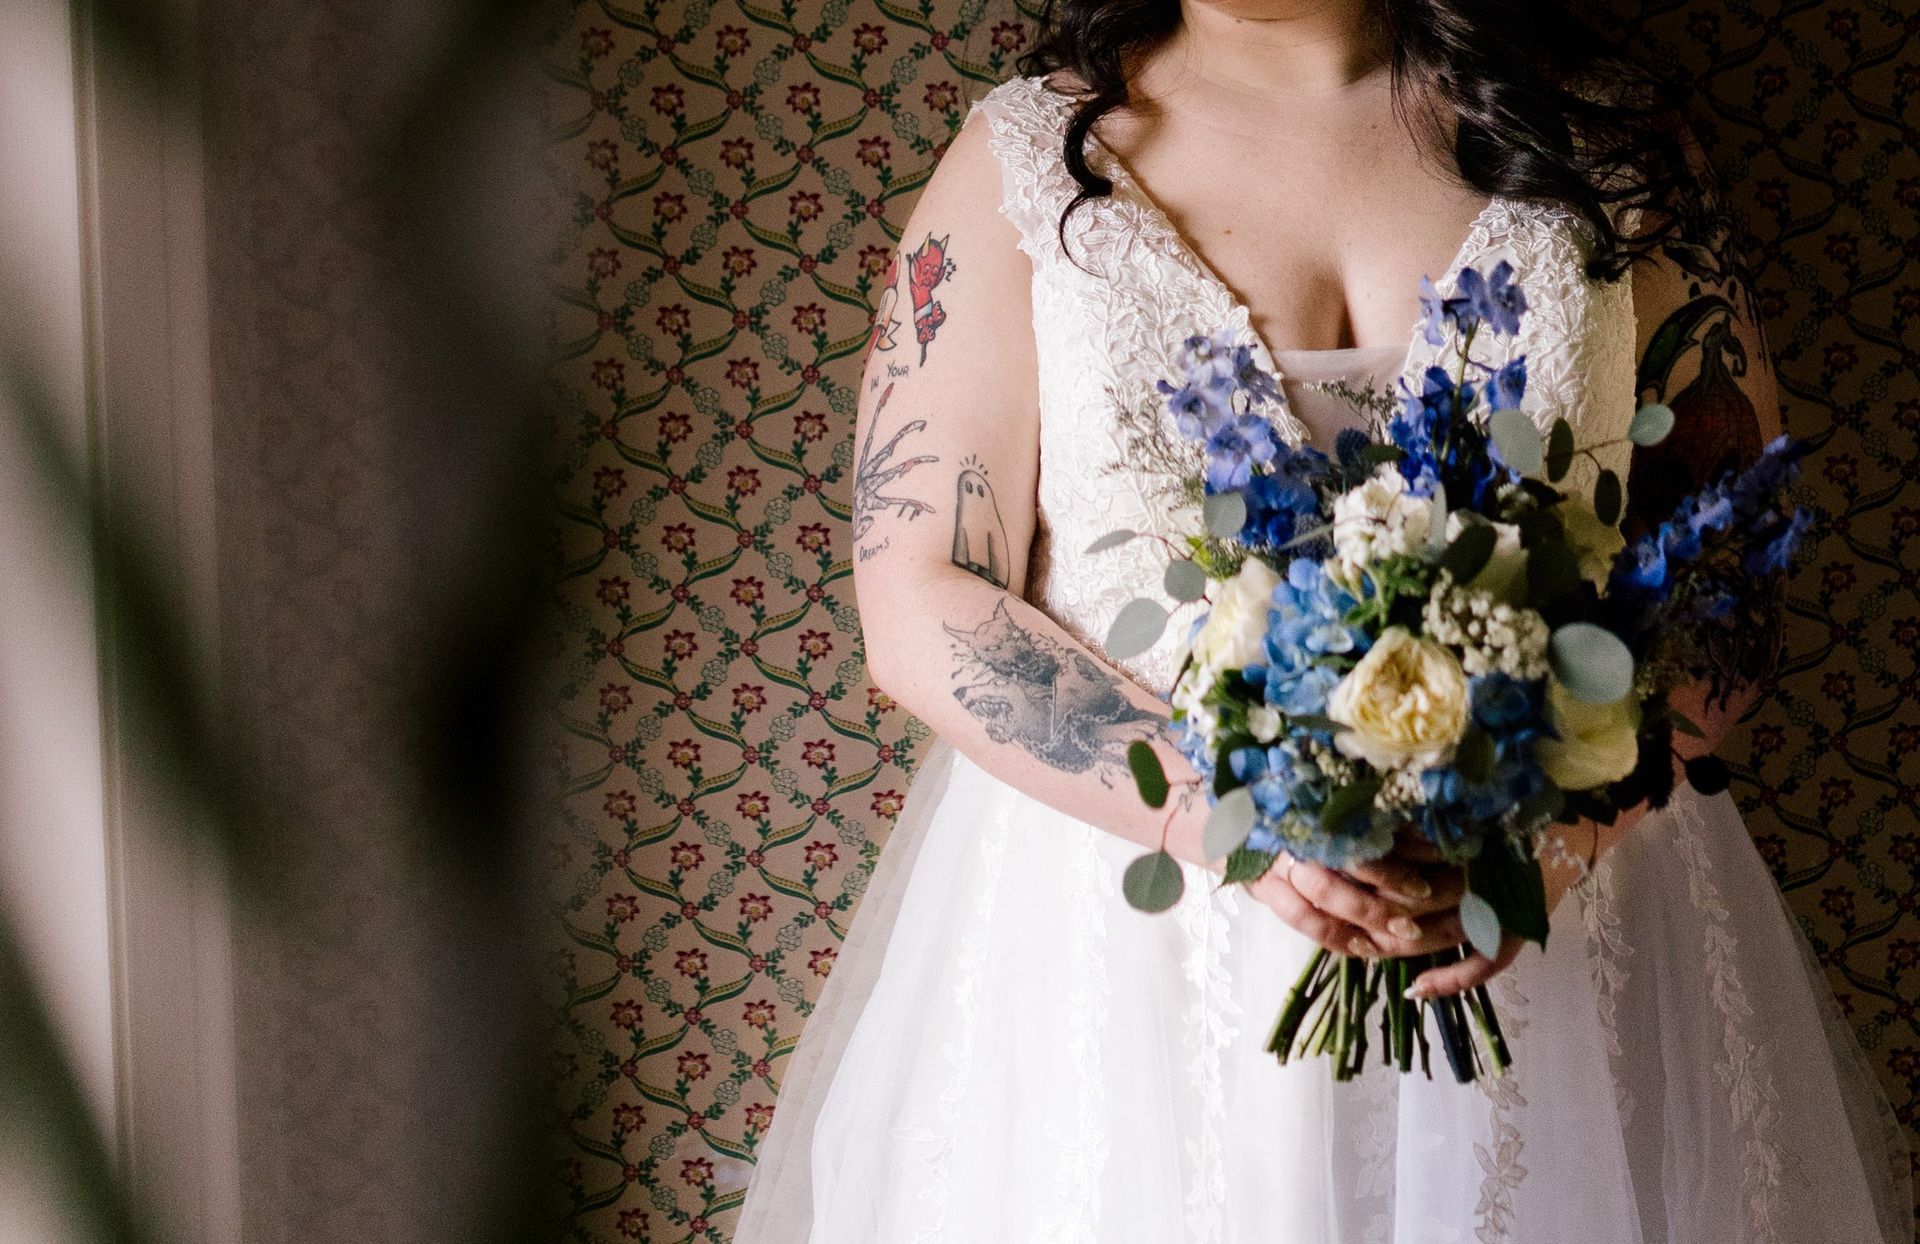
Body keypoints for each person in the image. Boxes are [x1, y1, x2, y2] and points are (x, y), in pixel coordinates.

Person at [734, 2, 1912, 1240]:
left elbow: (1735, 558)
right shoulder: (1029, 158)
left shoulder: (1612, 147)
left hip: (1567, 944)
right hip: (1135, 980)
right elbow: (918, 587)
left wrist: (1549, 847)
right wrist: (1239, 821)